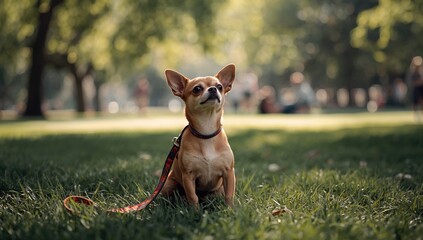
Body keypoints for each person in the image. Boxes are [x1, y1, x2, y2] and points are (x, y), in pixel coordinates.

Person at [406, 56, 423, 121]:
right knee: (415, 103)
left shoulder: (421, 71)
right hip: (415, 89)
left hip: (421, 89)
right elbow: (410, 82)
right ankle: (416, 117)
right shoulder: (412, 72)